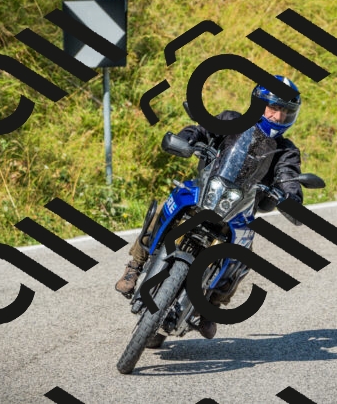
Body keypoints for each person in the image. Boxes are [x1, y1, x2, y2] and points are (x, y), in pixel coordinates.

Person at [116, 75, 305, 339]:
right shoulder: (232, 120)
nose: (278, 116)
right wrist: (186, 139)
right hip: (206, 190)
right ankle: (135, 265)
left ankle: (211, 306)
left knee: (244, 255)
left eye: (285, 111)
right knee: (169, 205)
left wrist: (291, 197)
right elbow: (202, 130)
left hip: (240, 209)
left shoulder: (286, 151)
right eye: (273, 107)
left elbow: (288, 176)